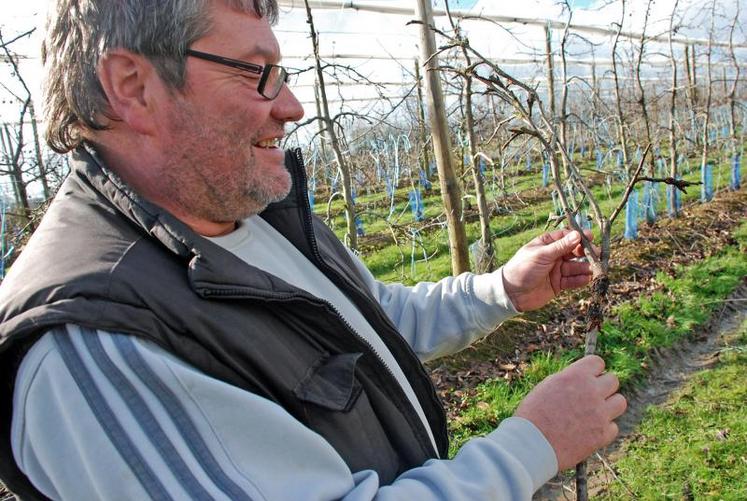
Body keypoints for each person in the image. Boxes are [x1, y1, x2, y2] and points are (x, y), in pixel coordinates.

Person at [0, 0, 626, 499]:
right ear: (132, 86)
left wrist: (502, 291)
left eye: (286, 75)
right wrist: (529, 446)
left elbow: (372, 321)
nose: (293, 107)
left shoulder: (251, 211)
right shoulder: (95, 348)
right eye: (256, 73)